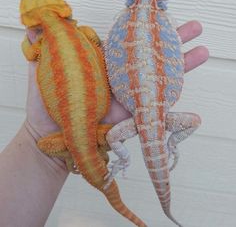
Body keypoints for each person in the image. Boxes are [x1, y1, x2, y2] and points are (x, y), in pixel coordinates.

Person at [0, 20, 209, 227]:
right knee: (192, 122)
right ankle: (154, 172)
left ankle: (130, 163)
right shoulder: (144, 25)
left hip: (148, 112)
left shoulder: (128, 24)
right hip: (145, 112)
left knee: (113, 137)